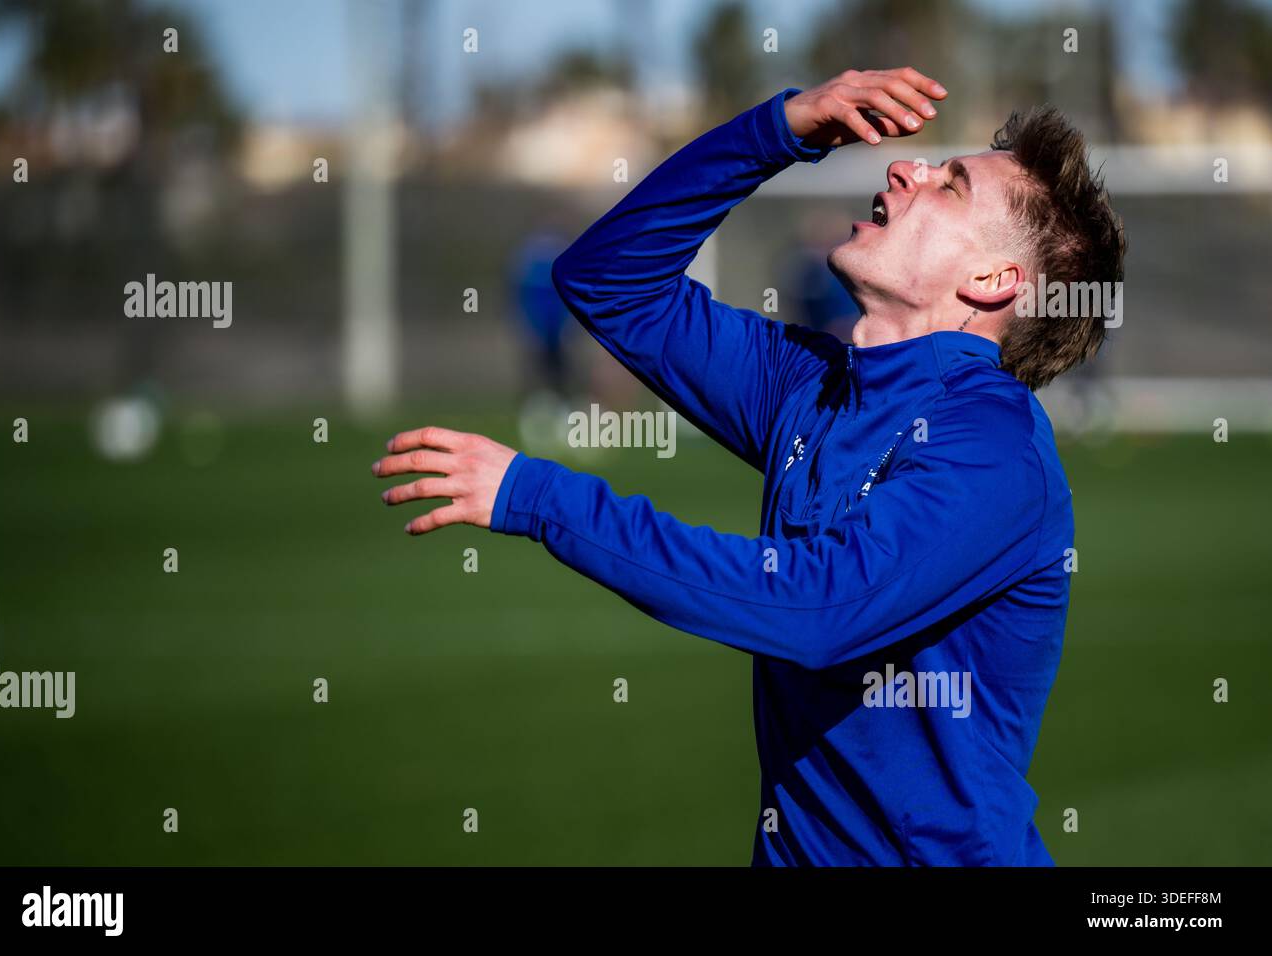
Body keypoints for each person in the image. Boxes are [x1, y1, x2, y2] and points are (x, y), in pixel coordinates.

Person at [371, 66, 1127, 866]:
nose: (907, 168)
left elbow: (817, 610)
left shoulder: (994, 448)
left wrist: (540, 496)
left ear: (992, 281)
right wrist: (779, 130)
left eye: (950, 186)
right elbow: (607, 283)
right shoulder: (811, 383)